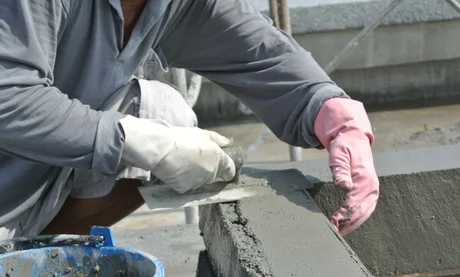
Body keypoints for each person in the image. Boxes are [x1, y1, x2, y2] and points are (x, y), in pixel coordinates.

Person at [0, 0, 379, 240]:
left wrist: (337, 116)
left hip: (27, 198)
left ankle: (31, 259)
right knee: (152, 131)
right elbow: (8, 97)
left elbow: (263, 57)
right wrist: (137, 140)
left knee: (164, 114)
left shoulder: (172, 5)